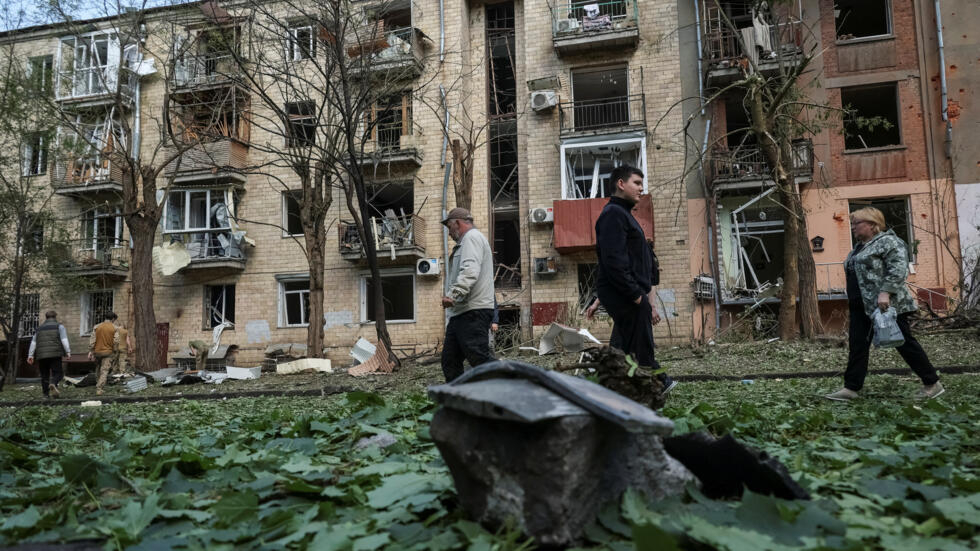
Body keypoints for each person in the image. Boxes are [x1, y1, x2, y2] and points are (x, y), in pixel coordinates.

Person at [825, 207, 944, 401]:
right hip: (861, 306)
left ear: (873, 225)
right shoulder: (859, 247)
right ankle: (851, 388)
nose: (853, 227)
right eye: (852, 223)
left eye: (857, 223)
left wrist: (885, 293)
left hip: (885, 305)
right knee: (857, 346)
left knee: (904, 343)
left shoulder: (888, 242)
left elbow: (897, 268)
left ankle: (932, 383)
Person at [591, 164, 676, 396]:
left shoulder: (623, 215)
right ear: (621, 184)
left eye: (641, 183)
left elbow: (630, 258)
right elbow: (613, 260)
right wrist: (635, 295)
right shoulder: (613, 215)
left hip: (630, 293)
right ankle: (658, 383)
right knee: (641, 347)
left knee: (623, 347)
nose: (641, 188)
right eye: (636, 183)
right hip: (627, 294)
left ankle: (606, 388)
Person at [441, 207, 496, 382]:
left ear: (458, 223)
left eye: (449, 227)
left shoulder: (471, 238)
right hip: (461, 313)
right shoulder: (466, 242)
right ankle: (459, 401)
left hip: (473, 311)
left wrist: (453, 295)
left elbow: (470, 271)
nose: (449, 233)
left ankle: (510, 388)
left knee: (479, 359)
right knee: (450, 361)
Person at [27, 311, 71, 399]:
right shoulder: (59, 326)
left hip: (42, 355)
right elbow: (64, 340)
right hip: (55, 353)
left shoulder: (39, 328)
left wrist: (30, 355)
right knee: (58, 373)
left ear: (46, 317)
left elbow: (33, 342)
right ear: (55, 317)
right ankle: (53, 384)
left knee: (44, 375)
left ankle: (45, 395)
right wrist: (68, 351)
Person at [88, 312, 120, 395]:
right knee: (104, 370)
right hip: (108, 352)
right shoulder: (115, 328)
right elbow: (116, 341)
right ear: (113, 319)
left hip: (97, 352)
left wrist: (91, 351)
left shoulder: (97, 327)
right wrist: (115, 351)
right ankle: (99, 388)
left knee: (98, 368)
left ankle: (97, 383)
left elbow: (92, 341)